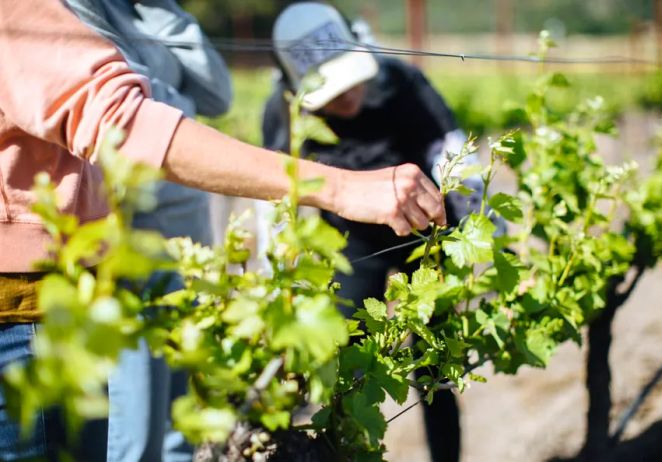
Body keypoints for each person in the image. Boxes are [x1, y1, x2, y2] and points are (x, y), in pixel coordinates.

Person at [0, 1, 446, 461]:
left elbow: (209, 94)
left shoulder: (405, 86)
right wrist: (341, 189)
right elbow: (121, 122)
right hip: (34, 302)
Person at [261, 4, 495, 461]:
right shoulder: (284, 111)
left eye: (351, 83)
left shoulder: (401, 82)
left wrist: (479, 229)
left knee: (436, 371)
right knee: (347, 366)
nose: (346, 99)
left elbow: (453, 152)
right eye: (331, 93)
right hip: (355, 245)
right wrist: (279, 272)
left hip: (429, 238)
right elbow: (272, 186)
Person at [63, 1, 231, 461]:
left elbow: (219, 95)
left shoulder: (148, 10)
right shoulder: (79, 6)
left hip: (187, 235)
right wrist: (181, 109)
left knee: (179, 427)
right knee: (134, 433)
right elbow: (127, 114)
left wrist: (161, 10)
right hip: (127, 236)